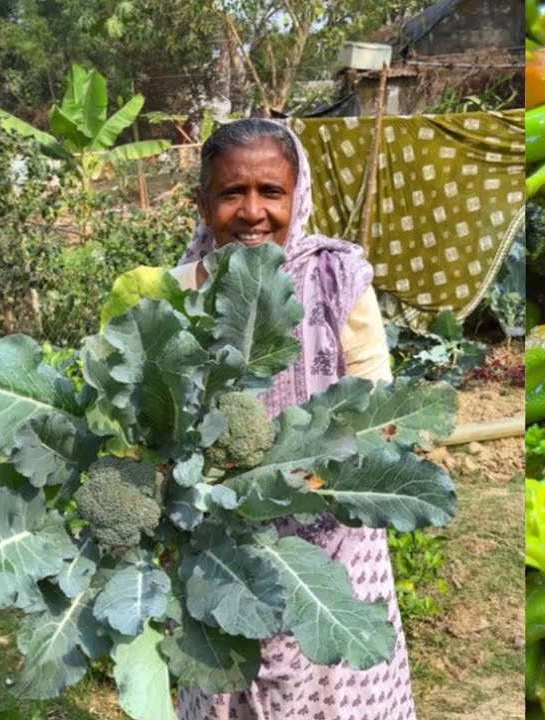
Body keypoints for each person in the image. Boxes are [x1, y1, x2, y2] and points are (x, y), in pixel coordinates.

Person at [171, 118, 415, 720]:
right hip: (221, 544)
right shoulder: (176, 292)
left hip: (334, 529)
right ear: (203, 203)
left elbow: (380, 408)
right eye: (231, 193)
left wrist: (307, 468)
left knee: (339, 675)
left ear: (297, 194)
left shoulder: (336, 278)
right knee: (228, 687)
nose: (252, 211)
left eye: (270, 192)